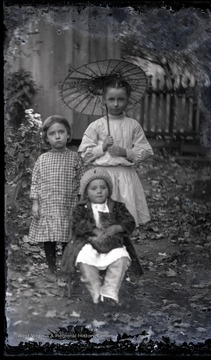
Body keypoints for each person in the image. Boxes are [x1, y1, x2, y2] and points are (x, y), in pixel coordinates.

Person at [78, 77, 154, 227]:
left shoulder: (133, 125)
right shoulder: (97, 126)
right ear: (103, 101)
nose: (116, 104)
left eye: (121, 99)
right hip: (102, 177)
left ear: (127, 101)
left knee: (124, 219)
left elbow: (145, 150)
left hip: (125, 177)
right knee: (103, 219)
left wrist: (125, 152)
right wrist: (103, 148)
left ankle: (123, 246)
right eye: (111, 99)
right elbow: (84, 154)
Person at [60, 167, 142, 304]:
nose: (99, 191)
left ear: (109, 189)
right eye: (94, 188)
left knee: (121, 257)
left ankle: (110, 291)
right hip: (87, 242)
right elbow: (77, 224)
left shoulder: (117, 206)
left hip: (112, 243)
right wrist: (94, 230)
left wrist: (117, 227)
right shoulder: (81, 208)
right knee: (84, 258)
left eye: (103, 187)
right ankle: (96, 292)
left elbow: (129, 221)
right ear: (86, 191)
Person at [28, 115, 84, 282]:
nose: (57, 136)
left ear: (68, 134)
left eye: (61, 132)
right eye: (52, 133)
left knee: (67, 237)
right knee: (49, 238)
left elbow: (81, 182)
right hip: (48, 206)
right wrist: (35, 203)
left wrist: (82, 203)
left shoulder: (74, 158)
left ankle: (67, 268)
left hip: (68, 205)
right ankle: (51, 269)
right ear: (46, 138)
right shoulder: (42, 159)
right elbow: (35, 182)